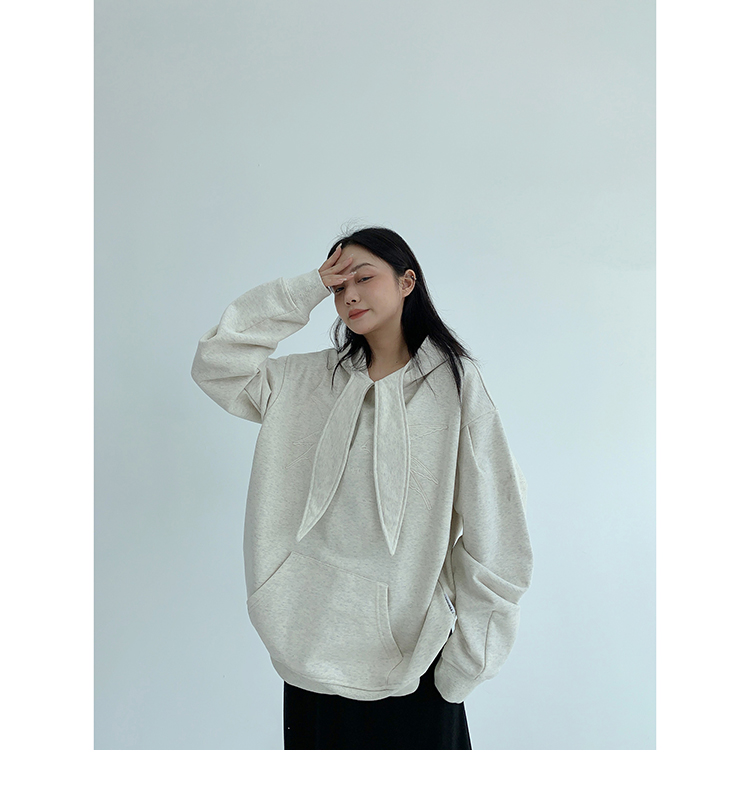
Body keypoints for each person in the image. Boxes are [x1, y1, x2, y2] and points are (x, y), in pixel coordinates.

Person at [190, 226, 533, 749]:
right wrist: (305, 287)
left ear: (406, 282)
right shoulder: (305, 382)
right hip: (306, 651)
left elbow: (499, 528)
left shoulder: (454, 387)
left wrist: (467, 665)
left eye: (363, 278)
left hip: (413, 666)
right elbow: (218, 364)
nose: (348, 294)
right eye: (337, 285)